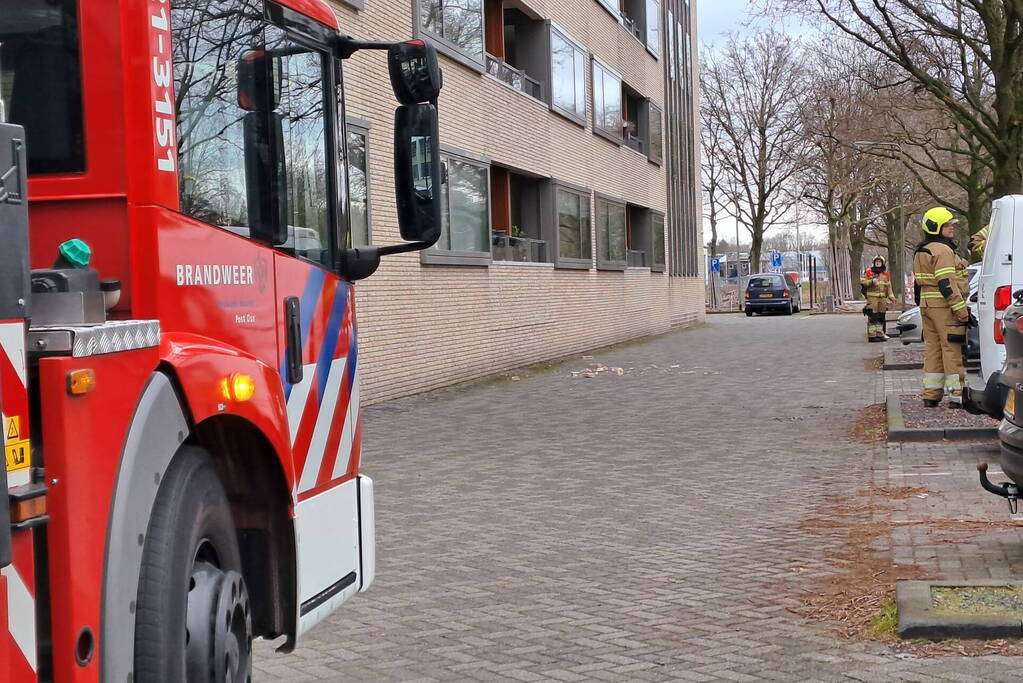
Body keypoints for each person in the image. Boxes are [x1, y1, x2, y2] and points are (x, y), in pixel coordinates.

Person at [913, 207, 970, 407]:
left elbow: (918, 285)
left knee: (933, 350)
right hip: (945, 308)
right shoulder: (943, 250)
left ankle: (931, 394)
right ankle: (957, 395)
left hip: (927, 307)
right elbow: (947, 284)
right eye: (948, 225)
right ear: (937, 227)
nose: (952, 228)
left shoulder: (921, 250)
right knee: (952, 348)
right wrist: (962, 312)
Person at [860, 256, 895, 342]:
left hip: (882, 299)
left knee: (880, 317)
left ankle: (879, 334)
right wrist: (871, 281)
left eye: (879, 262)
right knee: (873, 317)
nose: (878, 263)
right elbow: (862, 282)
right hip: (872, 299)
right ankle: (872, 336)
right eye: (876, 262)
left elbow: (889, 287)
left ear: (882, 263)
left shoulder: (886, 274)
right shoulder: (869, 272)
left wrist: (891, 297)